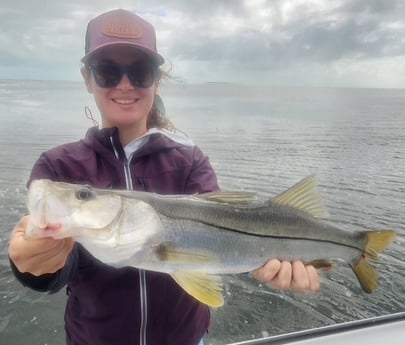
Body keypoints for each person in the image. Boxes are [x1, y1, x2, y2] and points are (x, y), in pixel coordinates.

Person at [8, 9, 320, 345]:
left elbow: (222, 243)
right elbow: (58, 271)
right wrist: (33, 264)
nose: (124, 84)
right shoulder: (58, 167)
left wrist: (280, 262)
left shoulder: (189, 161)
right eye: (108, 71)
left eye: (140, 72)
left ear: (156, 80)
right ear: (87, 79)